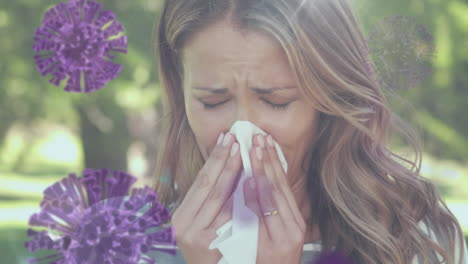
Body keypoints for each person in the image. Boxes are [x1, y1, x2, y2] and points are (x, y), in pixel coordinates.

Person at [151, 0, 468, 263]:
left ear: (329, 100)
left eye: (276, 101)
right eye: (213, 101)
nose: (242, 132)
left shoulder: (416, 243)